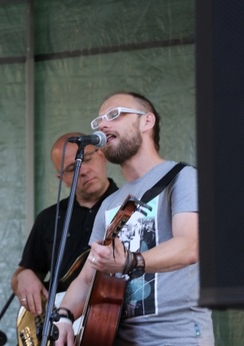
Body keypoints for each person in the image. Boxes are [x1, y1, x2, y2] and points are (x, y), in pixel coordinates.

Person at [54, 92, 214, 345]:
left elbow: (190, 247)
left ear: (147, 122)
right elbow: (87, 277)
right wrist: (63, 316)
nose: (103, 125)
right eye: (98, 122)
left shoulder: (181, 178)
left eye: (114, 115)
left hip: (176, 336)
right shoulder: (109, 204)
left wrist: (130, 261)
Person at [11, 132, 118, 316]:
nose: (83, 170)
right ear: (62, 179)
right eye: (71, 168)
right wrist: (23, 276)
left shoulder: (128, 208)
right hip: (60, 327)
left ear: (102, 156)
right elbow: (22, 273)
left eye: (87, 159)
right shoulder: (49, 218)